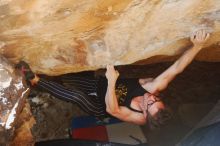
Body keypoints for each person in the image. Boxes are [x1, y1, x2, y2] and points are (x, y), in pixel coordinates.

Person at [16, 30, 210, 128]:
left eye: (150, 103)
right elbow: (177, 69)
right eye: (156, 99)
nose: (152, 98)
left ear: (145, 112)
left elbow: (113, 109)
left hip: (101, 105)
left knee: (78, 97)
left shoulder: (138, 117)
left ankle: (35, 81)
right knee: (69, 80)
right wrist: (198, 46)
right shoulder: (153, 87)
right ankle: (45, 84)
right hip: (100, 85)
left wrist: (111, 80)